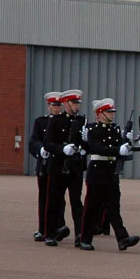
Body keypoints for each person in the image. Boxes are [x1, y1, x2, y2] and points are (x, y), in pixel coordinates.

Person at [77, 98, 140, 251]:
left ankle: (122, 238)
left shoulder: (115, 129)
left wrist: (128, 144)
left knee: (113, 207)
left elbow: (119, 146)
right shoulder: (93, 129)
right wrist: (117, 150)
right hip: (97, 170)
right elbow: (96, 148)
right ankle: (85, 238)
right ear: (99, 113)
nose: (112, 115)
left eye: (112, 112)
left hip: (111, 171)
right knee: (91, 207)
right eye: (108, 112)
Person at [43, 89, 87, 247]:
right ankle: (49, 233)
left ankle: (80, 235)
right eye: (74, 103)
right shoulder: (55, 121)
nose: (77, 106)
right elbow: (48, 143)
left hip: (75, 167)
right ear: (66, 103)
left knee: (77, 202)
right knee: (54, 201)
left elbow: (84, 143)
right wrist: (62, 149)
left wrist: (83, 147)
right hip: (58, 167)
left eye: (78, 103)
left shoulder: (82, 121)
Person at [29, 91, 65, 242]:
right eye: (53, 105)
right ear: (48, 106)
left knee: (59, 198)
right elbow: (33, 141)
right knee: (44, 197)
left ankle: (58, 226)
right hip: (45, 165)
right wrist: (40, 149)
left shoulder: (64, 122)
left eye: (58, 105)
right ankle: (42, 229)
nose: (56, 108)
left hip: (59, 165)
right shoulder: (41, 122)